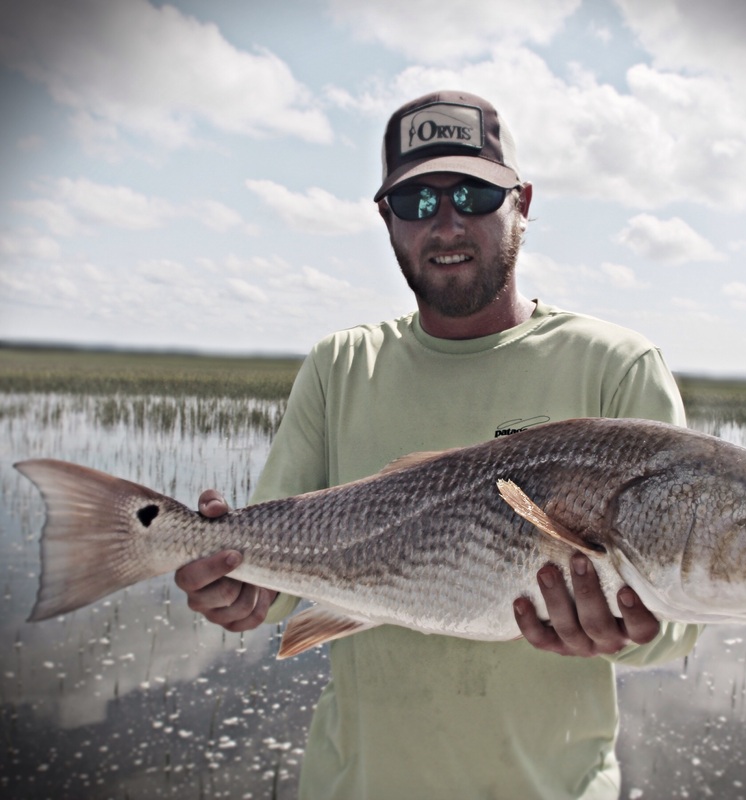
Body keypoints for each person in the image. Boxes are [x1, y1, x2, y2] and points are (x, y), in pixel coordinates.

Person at [175, 90, 700, 800]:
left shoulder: (617, 366)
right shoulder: (340, 365)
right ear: (386, 217)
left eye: (474, 195)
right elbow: (269, 585)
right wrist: (234, 590)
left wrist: (630, 629)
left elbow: (679, 618)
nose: (446, 223)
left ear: (522, 202)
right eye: (417, 200)